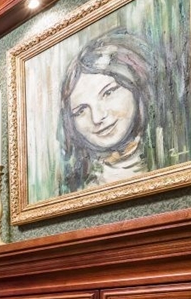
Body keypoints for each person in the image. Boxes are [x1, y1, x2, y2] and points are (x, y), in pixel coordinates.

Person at [59, 30, 158, 193]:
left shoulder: (170, 154)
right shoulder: (78, 190)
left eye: (108, 93)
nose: (97, 118)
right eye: (81, 110)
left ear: (135, 86)